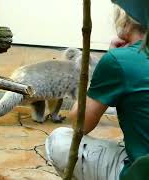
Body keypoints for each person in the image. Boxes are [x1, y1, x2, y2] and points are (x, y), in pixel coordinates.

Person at [45, 5, 148, 180]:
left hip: (142, 173)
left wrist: (107, 64)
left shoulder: (119, 60)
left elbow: (80, 124)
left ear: (128, 20)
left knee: (60, 139)